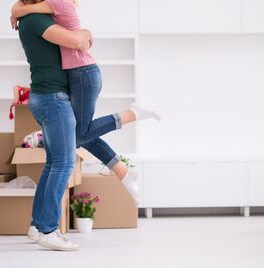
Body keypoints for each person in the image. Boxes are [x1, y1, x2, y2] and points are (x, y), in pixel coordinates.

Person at [11, 0, 160, 206]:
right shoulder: (50, 6)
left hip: (83, 74)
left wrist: (16, 11)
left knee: (79, 135)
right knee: (80, 134)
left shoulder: (57, 2)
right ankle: (123, 171)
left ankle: (131, 117)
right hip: (79, 74)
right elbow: (28, 8)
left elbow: (27, 9)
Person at [14, 2, 92, 251]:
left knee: (53, 163)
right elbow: (77, 41)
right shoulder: (37, 20)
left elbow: (19, 7)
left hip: (49, 97)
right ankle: (48, 230)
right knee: (64, 163)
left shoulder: (32, 16)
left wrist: (16, 10)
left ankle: (38, 226)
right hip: (53, 98)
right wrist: (87, 33)